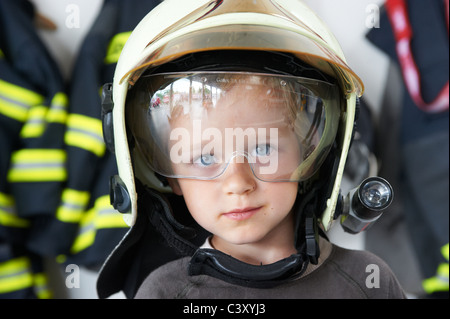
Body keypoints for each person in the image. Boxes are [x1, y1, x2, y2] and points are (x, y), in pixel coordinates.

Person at [97, 0, 406, 299]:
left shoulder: (368, 282)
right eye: (205, 157)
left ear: (309, 154)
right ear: (172, 177)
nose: (238, 183)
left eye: (263, 149)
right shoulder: (163, 293)